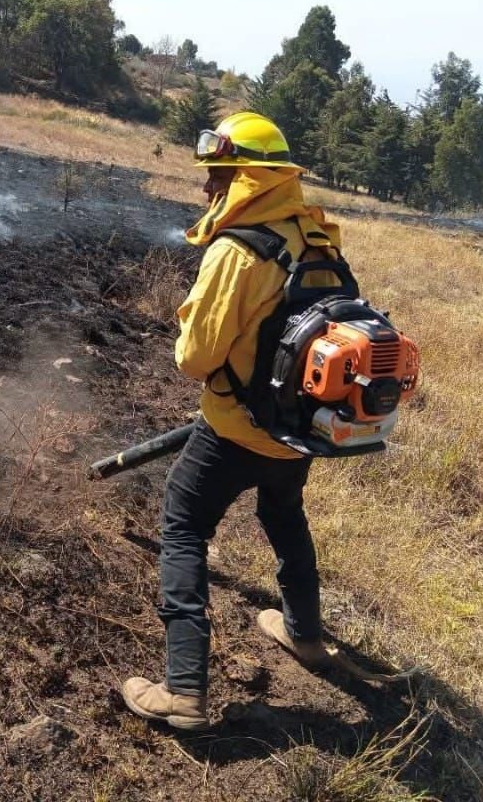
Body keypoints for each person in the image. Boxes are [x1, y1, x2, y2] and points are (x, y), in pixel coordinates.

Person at [121, 112, 343, 731]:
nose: (205, 188)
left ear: (244, 179)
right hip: (299, 429)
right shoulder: (316, 236)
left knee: (183, 526)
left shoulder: (238, 250)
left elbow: (195, 359)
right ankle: (305, 636)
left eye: (215, 176)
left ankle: (183, 690)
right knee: (283, 514)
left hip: (235, 428)